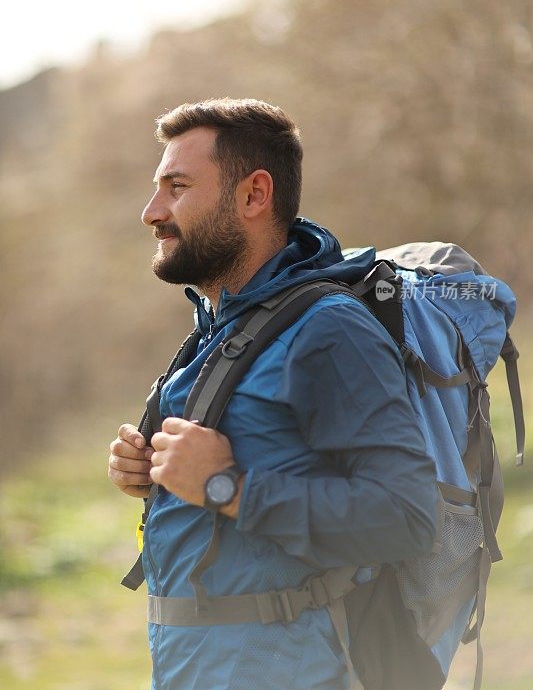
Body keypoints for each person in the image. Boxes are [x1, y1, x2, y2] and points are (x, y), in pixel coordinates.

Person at [108, 98, 438, 690]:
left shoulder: (329, 331)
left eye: (177, 186)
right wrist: (152, 473)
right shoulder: (222, 326)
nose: (151, 212)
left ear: (254, 195)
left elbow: (406, 518)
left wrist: (226, 487)